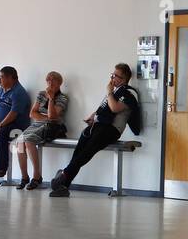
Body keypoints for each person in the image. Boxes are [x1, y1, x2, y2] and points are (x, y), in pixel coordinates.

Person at [49, 63, 139, 198]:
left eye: (116, 76)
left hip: (110, 130)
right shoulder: (114, 91)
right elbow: (104, 107)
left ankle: (64, 174)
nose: (112, 78)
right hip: (97, 126)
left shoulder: (128, 92)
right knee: (79, 152)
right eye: (112, 75)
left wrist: (109, 91)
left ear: (123, 78)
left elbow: (114, 108)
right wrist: (93, 117)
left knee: (86, 152)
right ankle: (64, 184)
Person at [10, 71, 68, 190]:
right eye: (48, 80)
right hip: (37, 124)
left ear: (59, 83)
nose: (50, 82)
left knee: (29, 141)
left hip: (52, 127)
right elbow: (32, 113)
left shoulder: (63, 98)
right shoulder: (41, 94)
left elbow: (53, 117)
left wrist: (51, 98)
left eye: (53, 80)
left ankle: (36, 176)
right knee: (19, 141)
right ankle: (24, 177)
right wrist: (46, 117)